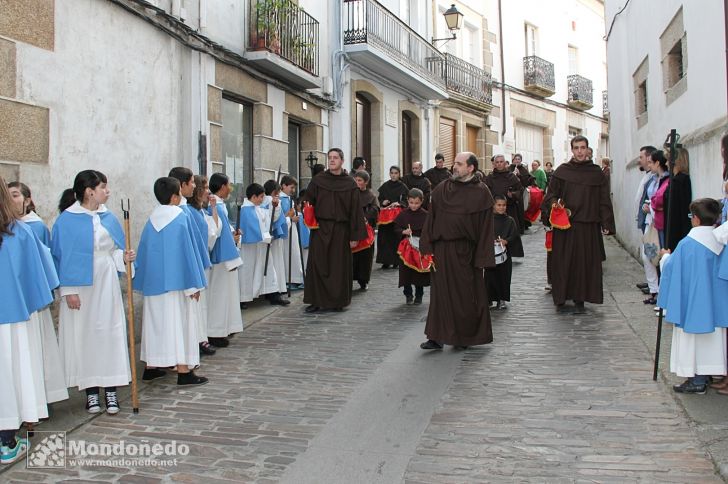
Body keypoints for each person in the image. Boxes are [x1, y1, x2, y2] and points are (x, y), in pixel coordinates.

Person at [51, 170, 135, 414]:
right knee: (85, 336)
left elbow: (113, 250)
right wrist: (69, 291)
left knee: (109, 332)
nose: (107, 192)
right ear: (89, 191)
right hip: (81, 286)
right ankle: (91, 392)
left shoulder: (108, 217)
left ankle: (110, 390)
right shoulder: (67, 220)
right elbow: (61, 257)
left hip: (106, 281)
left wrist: (124, 257)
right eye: (103, 188)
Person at [0, 177, 62, 465]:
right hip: (12, 319)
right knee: (12, 375)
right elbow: (42, 278)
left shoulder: (21, 232)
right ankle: (6, 440)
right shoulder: (19, 233)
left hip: (11, 316)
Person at [134, 177, 209, 386]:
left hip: (154, 284)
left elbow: (145, 252)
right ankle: (184, 370)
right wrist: (194, 284)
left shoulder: (151, 220)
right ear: (176, 196)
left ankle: (151, 367)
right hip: (178, 283)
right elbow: (188, 251)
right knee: (180, 325)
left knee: (156, 325)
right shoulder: (180, 217)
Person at [419, 152, 495, 350]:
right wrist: (426, 246)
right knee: (440, 295)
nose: (455, 167)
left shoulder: (481, 193)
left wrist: (483, 257)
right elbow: (431, 219)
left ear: (471, 168)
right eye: (454, 163)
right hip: (441, 248)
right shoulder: (442, 189)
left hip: (466, 251)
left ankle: (462, 336)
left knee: (464, 296)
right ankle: (436, 337)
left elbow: (486, 228)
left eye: (459, 164)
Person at [658, 198, 728, 394]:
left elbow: (672, 270)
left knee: (692, 341)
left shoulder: (687, 244)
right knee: (713, 341)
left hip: (692, 305)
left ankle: (696, 379)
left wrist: (665, 257)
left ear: (695, 219)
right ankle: (708, 374)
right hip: (716, 306)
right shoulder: (721, 241)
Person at [7, 182, 68, 405]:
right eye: (9, 195)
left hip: (29, 301)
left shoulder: (31, 229)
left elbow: (43, 266)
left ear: (27, 200)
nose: (13, 200)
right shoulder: (18, 230)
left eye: (16, 195)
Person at [541, 136, 615, 314]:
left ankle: (580, 297)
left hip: (588, 226)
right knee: (563, 262)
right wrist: (554, 204)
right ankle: (560, 297)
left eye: (583, 148)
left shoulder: (596, 173)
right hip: (565, 226)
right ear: (572, 150)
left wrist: (607, 222)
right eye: (576, 148)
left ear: (588, 150)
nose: (580, 151)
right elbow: (550, 195)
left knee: (584, 264)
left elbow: (604, 199)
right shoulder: (562, 171)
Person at [302, 148, 367, 313]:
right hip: (320, 229)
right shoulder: (318, 180)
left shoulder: (350, 183)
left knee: (338, 266)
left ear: (342, 161)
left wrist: (355, 236)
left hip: (341, 230)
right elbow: (307, 200)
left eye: (335, 158)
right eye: (329, 158)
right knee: (317, 264)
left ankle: (337, 301)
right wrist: (304, 207)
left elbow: (355, 211)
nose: (331, 160)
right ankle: (316, 301)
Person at [168, 168, 218, 357]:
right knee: (194, 307)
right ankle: (197, 341)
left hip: (197, 260)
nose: (200, 188)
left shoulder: (192, 211)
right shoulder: (184, 212)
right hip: (192, 263)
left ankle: (199, 338)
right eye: (195, 183)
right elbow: (199, 238)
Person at [206, 173, 243, 348]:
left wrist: (234, 234)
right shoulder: (216, 207)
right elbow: (216, 231)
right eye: (229, 185)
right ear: (222, 186)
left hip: (222, 255)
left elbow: (224, 228)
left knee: (223, 293)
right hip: (221, 259)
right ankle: (215, 331)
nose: (230, 188)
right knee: (218, 294)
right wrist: (232, 242)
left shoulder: (219, 205)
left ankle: (222, 328)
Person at [185, 175, 221, 356]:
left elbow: (214, 231)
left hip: (202, 258)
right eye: (204, 187)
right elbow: (210, 234)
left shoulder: (199, 211)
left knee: (202, 304)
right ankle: (199, 339)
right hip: (197, 260)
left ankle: (202, 337)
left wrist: (213, 208)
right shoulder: (190, 212)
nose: (208, 191)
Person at [238, 183, 276, 305]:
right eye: (260, 197)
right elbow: (253, 229)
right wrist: (266, 237)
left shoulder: (257, 208)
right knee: (248, 271)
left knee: (266, 268)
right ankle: (244, 297)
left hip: (261, 245)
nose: (262, 200)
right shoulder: (246, 210)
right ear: (253, 197)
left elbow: (266, 222)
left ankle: (269, 291)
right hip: (250, 247)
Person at [393, 188, 430, 305]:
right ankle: (408, 294)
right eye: (411, 203)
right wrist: (403, 232)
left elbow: (429, 231)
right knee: (406, 271)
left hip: (419, 247)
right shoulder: (403, 214)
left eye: (417, 203)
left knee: (419, 272)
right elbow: (396, 228)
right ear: (408, 201)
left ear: (422, 202)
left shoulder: (426, 215)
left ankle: (419, 294)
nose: (414, 205)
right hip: (406, 248)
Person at [486, 195, 522, 310]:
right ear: (493, 206)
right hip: (491, 254)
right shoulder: (488, 220)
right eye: (499, 205)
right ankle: (489, 299)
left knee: (504, 277)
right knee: (489, 277)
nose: (501, 208)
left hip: (505, 255)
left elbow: (514, 235)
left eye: (504, 205)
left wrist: (506, 241)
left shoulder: (510, 221)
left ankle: (502, 299)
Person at [261, 180, 291, 306]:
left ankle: (273, 290)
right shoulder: (270, 201)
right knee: (275, 265)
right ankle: (274, 291)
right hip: (272, 237)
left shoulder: (265, 201)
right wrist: (277, 206)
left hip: (270, 237)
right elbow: (275, 217)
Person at [376, 166, 408, 269]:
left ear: (399, 174)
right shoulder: (385, 186)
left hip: (397, 218)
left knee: (396, 238)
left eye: (396, 173)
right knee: (384, 239)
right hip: (385, 219)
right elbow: (379, 199)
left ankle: (396, 261)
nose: (394, 175)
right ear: (389, 174)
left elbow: (407, 201)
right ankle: (385, 261)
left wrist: (399, 203)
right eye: (392, 173)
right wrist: (383, 202)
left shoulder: (403, 187)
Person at [635, 146, 658, 297]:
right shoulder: (649, 176)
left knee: (650, 255)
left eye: (642, 157)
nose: (640, 160)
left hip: (651, 221)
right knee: (648, 255)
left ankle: (654, 288)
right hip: (646, 220)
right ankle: (652, 285)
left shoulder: (654, 178)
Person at [352, 171, 379, 291]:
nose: (357, 183)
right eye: (356, 180)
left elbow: (375, 209)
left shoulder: (371, 196)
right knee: (352, 258)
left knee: (365, 258)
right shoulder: (351, 194)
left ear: (366, 182)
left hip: (366, 230)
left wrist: (365, 217)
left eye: (359, 180)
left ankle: (364, 280)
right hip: (353, 229)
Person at [485, 155, 524, 235]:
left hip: (509, 209)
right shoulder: (489, 177)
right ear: (494, 164)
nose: (499, 164)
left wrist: (512, 194)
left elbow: (520, 190)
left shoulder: (512, 177)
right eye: (497, 162)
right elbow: (485, 193)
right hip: (494, 212)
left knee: (510, 236)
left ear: (505, 163)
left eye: (501, 162)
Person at [664, 146, 693, 252]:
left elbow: (683, 209)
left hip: (676, 231)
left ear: (676, 162)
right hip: (672, 229)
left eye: (668, 160)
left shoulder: (680, 181)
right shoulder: (676, 180)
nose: (666, 164)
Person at [280, 176, 304, 289]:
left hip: (292, 229)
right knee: (288, 254)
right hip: (286, 231)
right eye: (291, 187)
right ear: (283, 186)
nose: (293, 190)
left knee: (294, 253)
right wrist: (290, 218)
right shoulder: (279, 200)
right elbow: (280, 217)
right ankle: (289, 279)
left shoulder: (288, 199)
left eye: (294, 188)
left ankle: (296, 278)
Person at [510, 154, 535, 231]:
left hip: (520, 192)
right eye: (515, 159)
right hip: (511, 192)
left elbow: (526, 182)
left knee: (520, 210)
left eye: (518, 159)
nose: (517, 160)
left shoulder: (524, 170)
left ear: (521, 160)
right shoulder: (509, 168)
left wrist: (519, 175)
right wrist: (513, 175)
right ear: (513, 160)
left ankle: (520, 228)